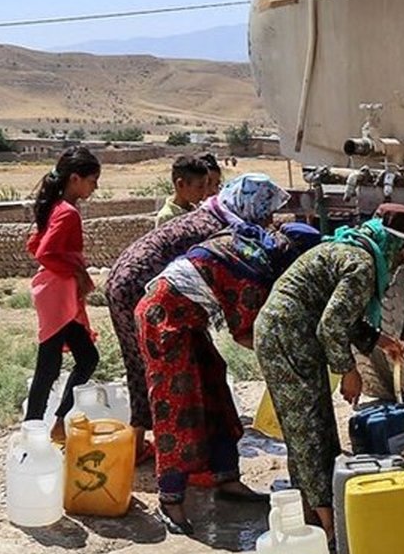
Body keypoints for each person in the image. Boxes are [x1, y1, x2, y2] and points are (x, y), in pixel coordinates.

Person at [137, 221, 322, 534]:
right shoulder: (252, 274)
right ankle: (170, 500)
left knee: (214, 392)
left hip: (189, 320)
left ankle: (227, 479)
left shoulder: (255, 251)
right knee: (176, 407)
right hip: (163, 319)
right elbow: (249, 335)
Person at [254, 204, 404, 538]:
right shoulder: (362, 265)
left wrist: (382, 341)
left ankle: (314, 514)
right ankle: (330, 529)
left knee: (313, 426)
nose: (401, 263)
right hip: (288, 336)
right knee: (309, 430)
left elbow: (341, 316)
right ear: (395, 245)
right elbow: (331, 325)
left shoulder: (347, 248)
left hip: (289, 333)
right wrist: (349, 371)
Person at [106, 173, 290, 463]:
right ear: (251, 205)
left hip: (124, 280)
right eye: (266, 211)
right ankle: (178, 460)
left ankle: (140, 445)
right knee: (171, 373)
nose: (268, 219)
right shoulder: (221, 229)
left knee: (142, 363)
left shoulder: (213, 213)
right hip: (144, 288)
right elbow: (233, 308)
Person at [24, 147, 103, 442]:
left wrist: (72, 269)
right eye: (92, 180)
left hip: (55, 291)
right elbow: (45, 252)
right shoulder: (67, 212)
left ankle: (53, 423)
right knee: (51, 364)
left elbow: (34, 244)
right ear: (74, 179)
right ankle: (36, 429)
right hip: (58, 294)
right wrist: (78, 272)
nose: (95, 187)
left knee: (83, 357)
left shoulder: (56, 206)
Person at [154, 155, 209, 228]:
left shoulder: (198, 210)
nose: (204, 191)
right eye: (200, 187)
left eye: (206, 186)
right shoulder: (166, 218)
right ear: (180, 184)